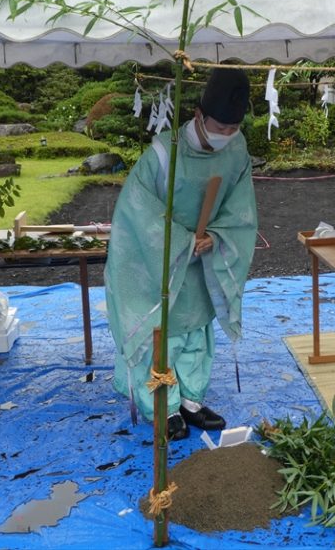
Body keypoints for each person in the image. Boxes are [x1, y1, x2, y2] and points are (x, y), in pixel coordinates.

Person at [104, 68, 257, 441]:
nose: (225, 136)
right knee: (164, 333)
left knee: (196, 331)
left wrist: (217, 237)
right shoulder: (163, 153)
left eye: (232, 129)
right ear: (198, 116)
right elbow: (137, 210)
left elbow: (241, 207)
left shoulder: (236, 150)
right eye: (219, 127)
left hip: (204, 258)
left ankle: (190, 400)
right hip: (156, 258)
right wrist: (180, 242)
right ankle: (162, 405)